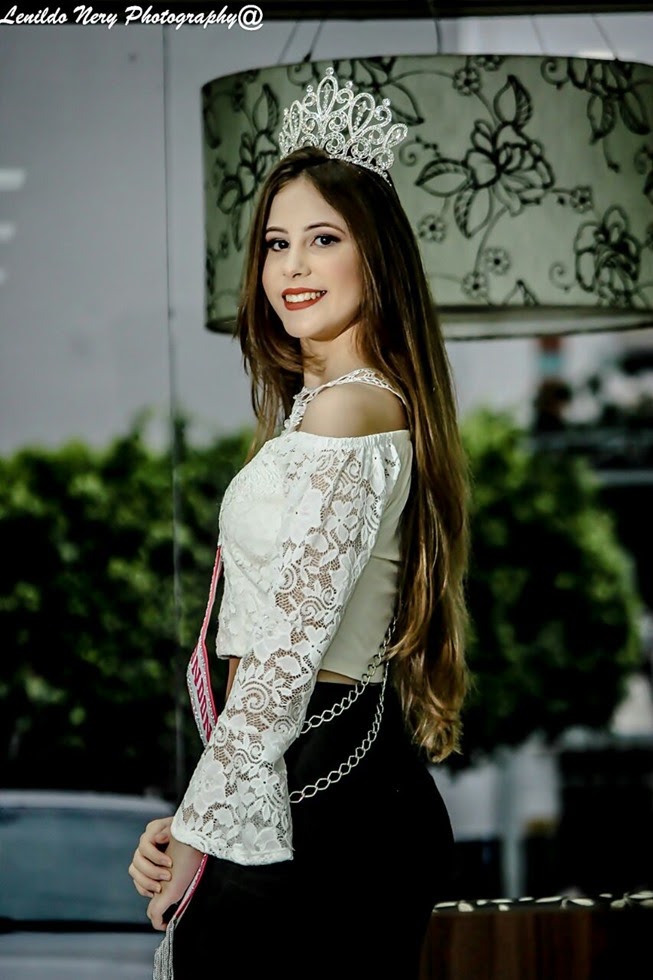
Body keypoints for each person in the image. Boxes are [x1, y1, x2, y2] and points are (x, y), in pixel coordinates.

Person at [128, 67, 470, 979]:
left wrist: (201, 832)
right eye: (277, 244)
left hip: (325, 784)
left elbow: (285, 651)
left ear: (376, 257)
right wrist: (196, 816)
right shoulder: (324, 411)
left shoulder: (349, 411)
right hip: (310, 775)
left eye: (324, 239)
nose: (292, 267)